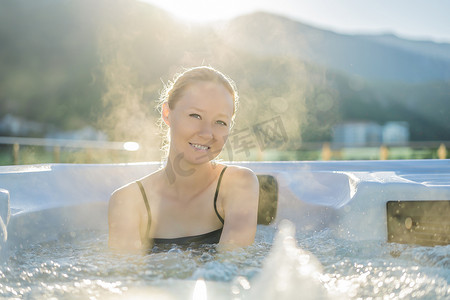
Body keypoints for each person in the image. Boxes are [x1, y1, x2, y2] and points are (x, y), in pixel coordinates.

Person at [108, 66, 260, 253]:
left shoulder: (239, 184)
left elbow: (231, 266)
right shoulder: (129, 201)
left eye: (220, 122)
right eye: (195, 116)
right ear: (167, 114)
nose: (207, 133)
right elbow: (125, 276)